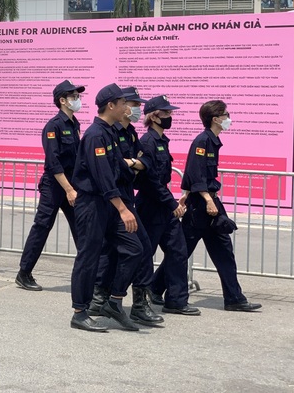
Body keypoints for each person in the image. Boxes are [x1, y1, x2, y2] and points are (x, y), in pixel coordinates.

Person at [153, 100, 262, 312]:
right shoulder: (202, 141)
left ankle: (234, 298)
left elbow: (198, 173)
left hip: (207, 203)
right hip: (202, 207)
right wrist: (207, 200)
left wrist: (188, 196)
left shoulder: (213, 141)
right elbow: (195, 173)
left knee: (224, 252)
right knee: (180, 252)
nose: (228, 118)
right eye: (226, 115)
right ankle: (155, 288)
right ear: (216, 118)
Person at [69, 83, 143, 332]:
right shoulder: (95, 135)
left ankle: (114, 301)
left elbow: (118, 168)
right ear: (111, 106)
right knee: (88, 257)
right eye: (123, 103)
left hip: (110, 204)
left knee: (134, 248)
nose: (127, 107)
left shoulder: (109, 132)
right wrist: (123, 208)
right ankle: (80, 311)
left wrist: (141, 166)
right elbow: (102, 177)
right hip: (93, 204)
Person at [87, 87, 164, 326]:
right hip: (111, 198)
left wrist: (134, 163)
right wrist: (130, 163)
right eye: (131, 104)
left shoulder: (130, 133)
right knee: (118, 248)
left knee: (134, 247)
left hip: (125, 197)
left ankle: (129, 301)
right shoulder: (105, 133)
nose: (135, 110)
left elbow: (146, 161)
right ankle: (106, 299)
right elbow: (113, 166)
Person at [15, 80, 84, 291]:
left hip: (71, 184)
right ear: (62, 100)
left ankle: (93, 274)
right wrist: (69, 189)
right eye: (73, 96)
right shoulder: (53, 126)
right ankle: (24, 273)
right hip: (55, 186)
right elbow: (53, 162)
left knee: (82, 227)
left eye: (78, 96)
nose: (78, 99)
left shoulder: (75, 124)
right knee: (42, 227)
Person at [135, 95, 200, 316]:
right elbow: (151, 181)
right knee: (145, 255)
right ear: (154, 116)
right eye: (166, 113)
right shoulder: (147, 142)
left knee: (178, 250)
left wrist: (172, 202)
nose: (170, 117)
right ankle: (136, 301)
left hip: (164, 206)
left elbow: (160, 180)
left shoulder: (162, 141)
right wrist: (171, 202)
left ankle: (177, 300)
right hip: (151, 207)